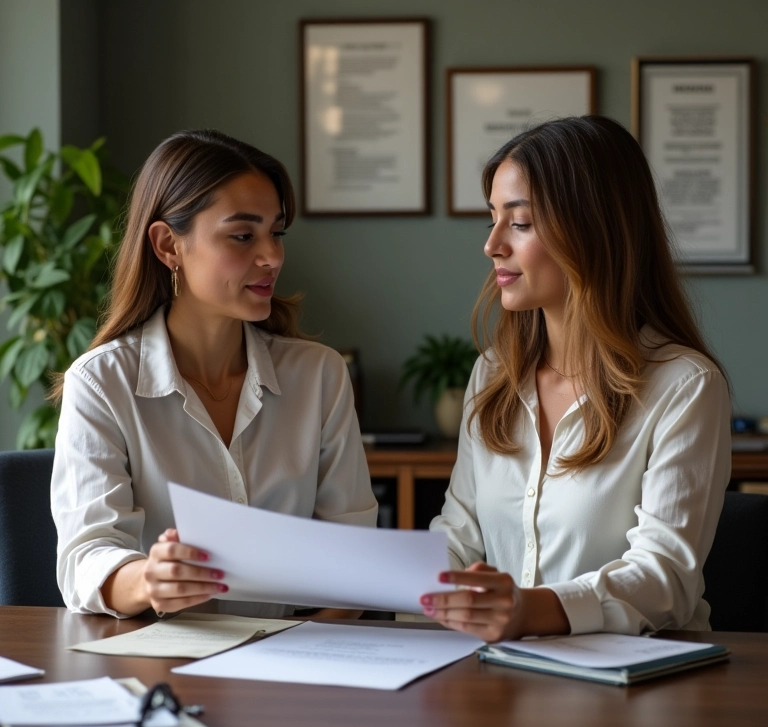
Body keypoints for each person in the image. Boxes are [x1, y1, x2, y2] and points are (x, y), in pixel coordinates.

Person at [422, 116, 731, 642]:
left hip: (642, 691)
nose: (493, 244)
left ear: (592, 230)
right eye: (492, 220)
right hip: (501, 677)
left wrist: (529, 610)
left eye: (519, 223)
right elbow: (459, 533)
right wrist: (414, 588)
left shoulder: (685, 386)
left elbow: (664, 577)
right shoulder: (493, 374)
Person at [51, 129, 377, 619]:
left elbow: (353, 558)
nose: (272, 256)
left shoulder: (320, 376)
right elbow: (86, 559)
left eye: (277, 232)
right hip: (160, 667)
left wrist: (309, 658)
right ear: (168, 246)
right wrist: (150, 579)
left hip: (295, 670)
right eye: (243, 236)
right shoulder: (101, 384)